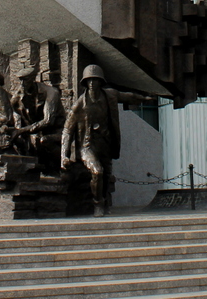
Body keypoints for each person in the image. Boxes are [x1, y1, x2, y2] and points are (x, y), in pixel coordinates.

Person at [61, 64, 153, 216]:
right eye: (89, 80)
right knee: (97, 172)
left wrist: (145, 98)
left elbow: (128, 96)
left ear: (100, 82)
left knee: (105, 175)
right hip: (87, 146)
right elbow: (67, 131)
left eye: (95, 80)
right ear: (85, 83)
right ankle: (98, 204)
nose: (92, 83)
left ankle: (103, 201)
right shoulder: (79, 106)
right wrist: (63, 156)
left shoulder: (110, 95)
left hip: (105, 143)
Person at [10, 65, 65, 165]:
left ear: (33, 79)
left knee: (44, 141)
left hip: (56, 132)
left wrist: (22, 130)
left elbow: (48, 121)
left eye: (25, 80)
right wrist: (17, 130)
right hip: (35, 132)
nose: (22, 84)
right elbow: (15, 113)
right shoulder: (19, 95)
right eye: (20, 80)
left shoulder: (51, 93)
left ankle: (58, 169)